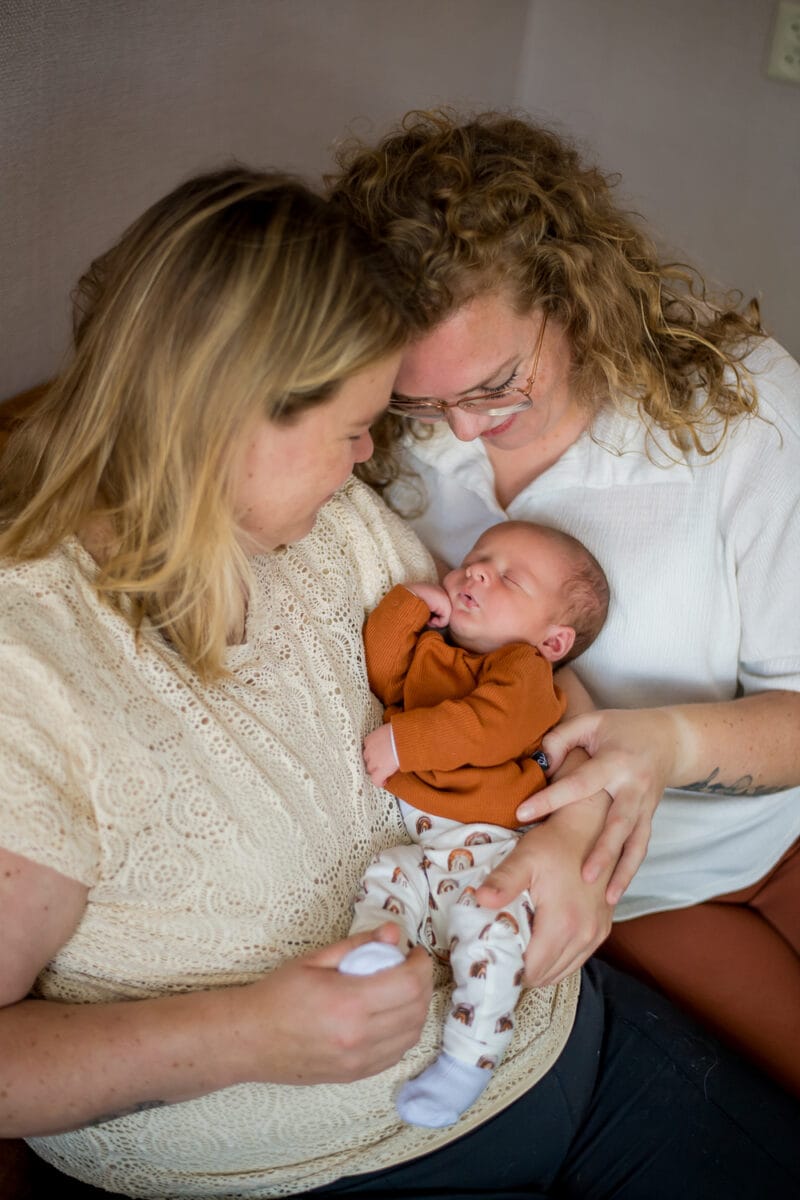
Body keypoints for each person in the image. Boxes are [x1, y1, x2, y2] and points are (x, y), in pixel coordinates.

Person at [0, 166, 798, 1200]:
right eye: (357, 426)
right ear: (233, 414)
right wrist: (238, 1034)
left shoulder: (333, 534)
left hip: (553, 1045)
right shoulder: (33, 667)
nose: (379, 454)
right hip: (309, 1165)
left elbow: (529, 687)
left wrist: (557, 842)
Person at [329, 108, 800, 1098]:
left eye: (498, 382)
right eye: (420, 400)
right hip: (641, 888)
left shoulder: (736, 414)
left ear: (568, 294)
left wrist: (662, 745)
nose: (465, 426)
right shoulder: (393, 455)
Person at [340, 520, 608, 1128]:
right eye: (476, 558)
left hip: (500, 852)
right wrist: (410, 605)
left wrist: (406, 744)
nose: (478, 571)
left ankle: (468, 1061)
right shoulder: (440, 649)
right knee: (390, 876)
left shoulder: (526, 674)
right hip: (433, 849)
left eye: (509, 577)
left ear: (554, 641)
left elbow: (490, 729)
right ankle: (375, 954)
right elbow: (383, 674)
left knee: (487, 929)